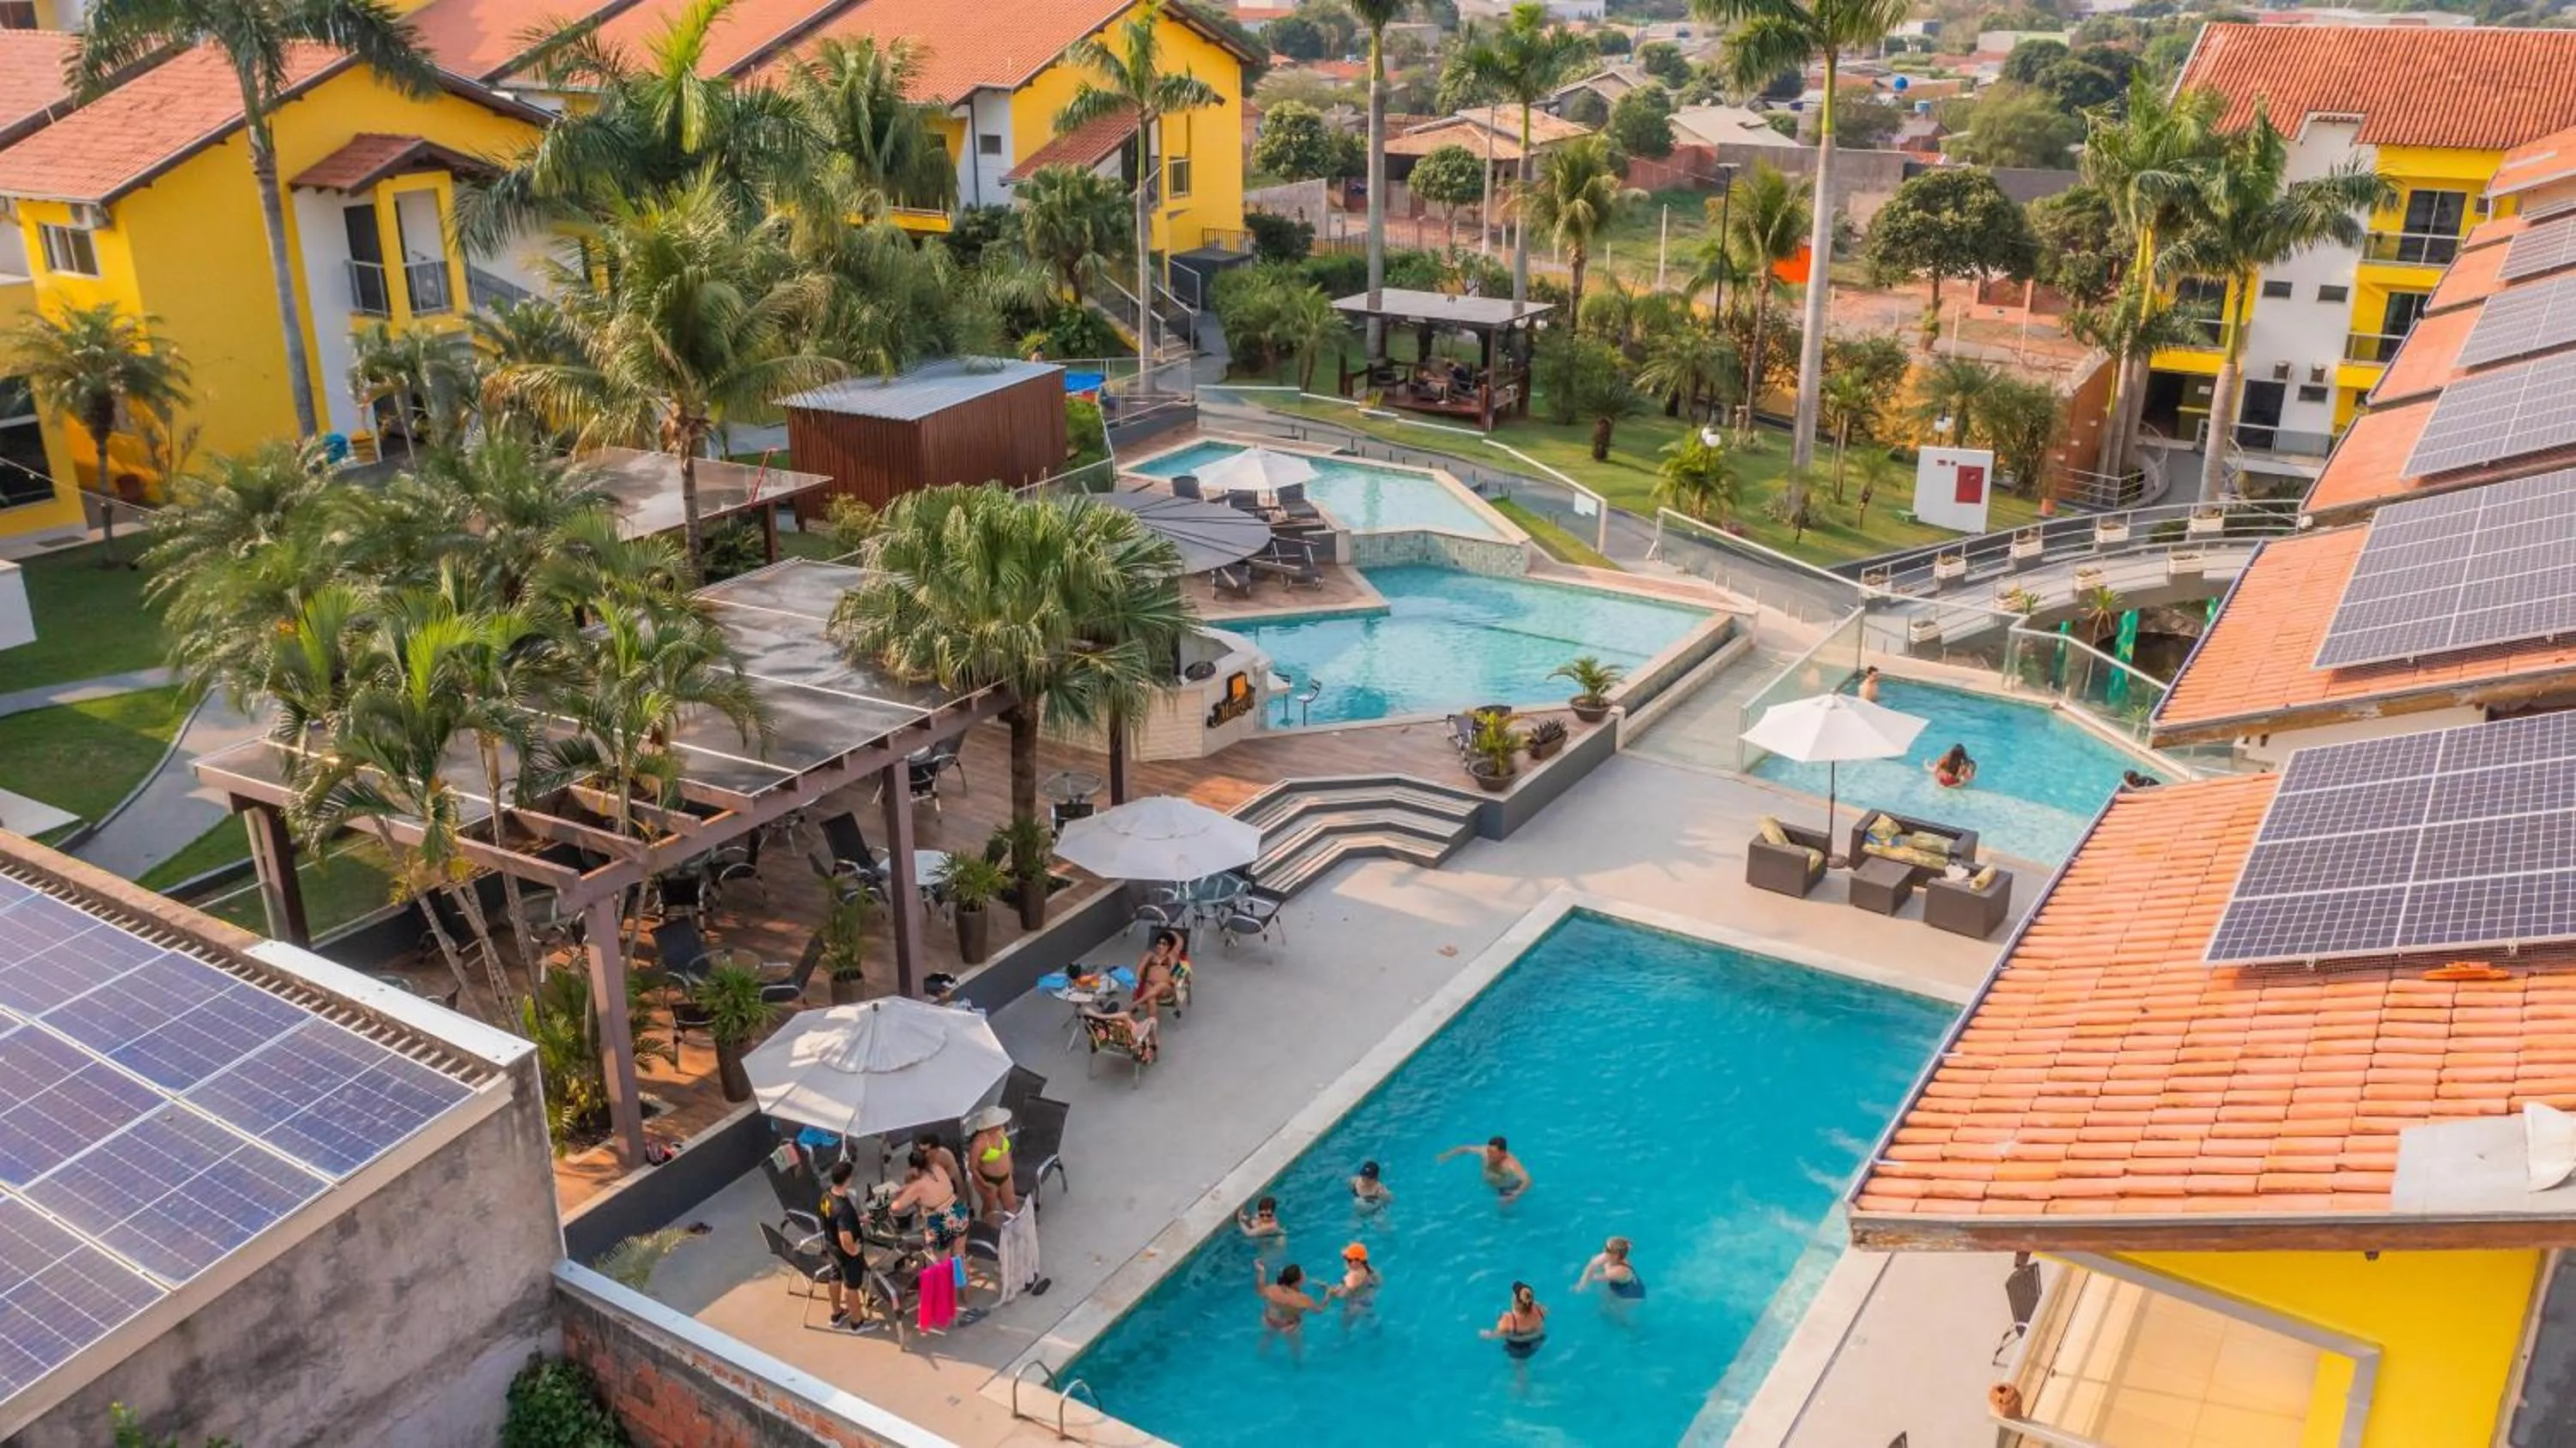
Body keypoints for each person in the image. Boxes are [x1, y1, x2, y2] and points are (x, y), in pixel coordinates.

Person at [888, 1146, 970, 1254]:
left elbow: (896, 1207)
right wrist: (906, 1188)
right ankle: (960, 1271)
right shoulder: (937, 1168)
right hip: (959, 1212)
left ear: (913, 1168)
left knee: (942, 1263)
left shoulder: (918, 1186)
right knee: (959, 1256)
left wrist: (889, 1201)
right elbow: (932, 1186)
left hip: (940, 1222)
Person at [823, 1161, 868, 1328]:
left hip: (832, 1247)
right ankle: (857, 1323)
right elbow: (845, 1239)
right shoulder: (844, 1209)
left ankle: (836, 1314)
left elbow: (832, 1220)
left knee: (835, 1277)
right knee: (851, 1287)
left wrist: (859, 1219)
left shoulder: (827, 1195)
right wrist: (855, 1251)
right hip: (846, 1254)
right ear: (847, 1180)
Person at [1253, 1260, 1326, 1356]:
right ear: (1297, 1282)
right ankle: (1298, 1367)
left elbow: (1260, 1291)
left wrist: (1262, 1271)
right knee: (1296, 1349)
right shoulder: (1304, 1300)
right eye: (1303, 1275)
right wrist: (1328, 1293)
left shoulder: (1272, 1289)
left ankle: (1260, 1356)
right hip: (1289, 1328)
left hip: (1269, 1321)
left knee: (1267, 1338)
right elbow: (1319, 1310)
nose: (1305, 1275)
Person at [963, 1104, 1018, 1221]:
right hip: (988, 1179)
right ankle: (990, 1231)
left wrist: (1010, 1165)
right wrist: (984, 1183)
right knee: (990, 1210)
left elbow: (1006, 1151)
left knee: (1011, 1204)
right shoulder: (980, 1143)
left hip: (1006, 1176)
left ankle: (1012, 1229)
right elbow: (972, 1167)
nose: (1002, 1124)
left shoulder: (1001, 1131)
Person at [1439, 1135, 1532, 1199]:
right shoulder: (1485, 1152)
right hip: (1492, 1182)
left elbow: (1527, 1180)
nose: (1489, 1155)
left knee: (1502, 1210)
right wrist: (1447, 1155)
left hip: (1507, 1187)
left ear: (1503, 1153)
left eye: (1493, 1153)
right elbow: (1465, 1148)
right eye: (1488, 1151)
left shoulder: (1511, 1165)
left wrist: (1516, 1194)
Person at [1481, 1281, 1548, 1359]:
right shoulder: (1541, 1310)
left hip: (1518, 1347)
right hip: (1538, 1340)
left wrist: (1485, 1334)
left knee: (1520, 1367)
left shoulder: (1508, 1319)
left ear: (1515, 1302)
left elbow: (1497, 1335)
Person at [1131, 929, 1188, 1021]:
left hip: (1165, 988)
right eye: (1159, 943)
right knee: (1151, 1001)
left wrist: (1170, 932)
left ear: (1170, 946)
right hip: (1149, 984)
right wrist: (1136, 980)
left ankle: (1134, 1004)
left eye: (1164, 943)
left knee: (1160, 985)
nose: (1160, 946)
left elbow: (1180, 941)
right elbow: (1140, 968)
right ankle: (1151, 1030)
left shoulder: (1172, 955)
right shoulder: (1150, 955)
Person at [1575, 1237, 1646, 1302]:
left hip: (1631, 1295)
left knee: (1611, 1312)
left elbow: (1594, 1277)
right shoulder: (1615, 1257)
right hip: (1625, 1282)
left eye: (1607, 1249)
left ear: (1615, 1255)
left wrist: (1581, 1286)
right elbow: (1593, 1265)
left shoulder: (1617, 1271)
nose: (1604, 1249)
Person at [1326, 1242, 1381, 1326]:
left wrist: (1329, 1292)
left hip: (1355, 1306)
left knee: (1345, 1328)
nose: (1347, 1262)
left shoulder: (1352, 1278)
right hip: (1367, 1302)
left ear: (1357, 1261)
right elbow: (1379, 1282)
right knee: (1373, 1325)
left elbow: (1342, 1295)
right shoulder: (1369, 1268)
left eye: (1349, 1260)